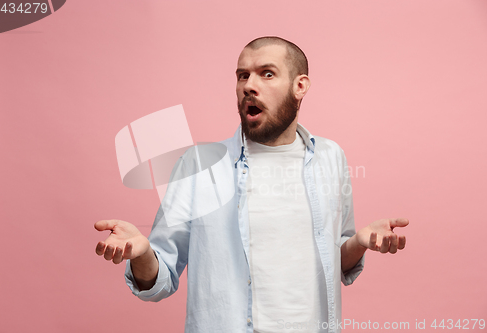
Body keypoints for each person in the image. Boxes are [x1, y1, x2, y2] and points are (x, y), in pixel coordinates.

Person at [95, 36, 409, 333]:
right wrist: (140, 252)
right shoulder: (199, 165)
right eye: (242, 76)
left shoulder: (331, 157)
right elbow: (159, 278)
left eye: (267, 74)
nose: (249, 86)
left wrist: (359, 242)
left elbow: (335, 260)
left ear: (300, 86)